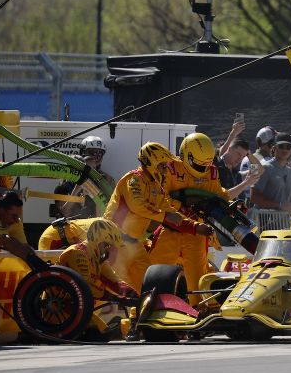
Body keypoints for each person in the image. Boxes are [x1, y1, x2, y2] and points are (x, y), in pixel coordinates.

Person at [151, 132, 224, 295]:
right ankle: (152, 305)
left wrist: (231, 206)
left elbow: (218, 195)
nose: (203, 169)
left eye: (206, 165)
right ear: (186, 155)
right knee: (155, 274)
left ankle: (198, 307)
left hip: (197, 233)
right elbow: (160, 197)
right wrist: (182, 208)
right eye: (199, 165)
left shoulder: (212, 172)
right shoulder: (169, 167)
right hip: (170, 229)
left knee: (197, 279)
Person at [103, 142, 183, 288]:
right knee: (113, 288)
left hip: (134, 244)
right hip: (114, 241)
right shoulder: (133, 179)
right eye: (163, 166)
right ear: (150, 163)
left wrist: (193, 224)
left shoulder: (156, 187)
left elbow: (169, 210)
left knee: (149, 285)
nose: (166, 170)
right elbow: (137, 205)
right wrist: (165, 216)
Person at [56, 218, 138, 338]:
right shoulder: (77, 253)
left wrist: (134, 295)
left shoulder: (97, 257)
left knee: (104, 334)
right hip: (59, 308)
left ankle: (117, 325)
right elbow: (85, 287)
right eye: (109, 245)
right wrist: (114, 298)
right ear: (100, 242)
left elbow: (114, 281)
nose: (110, 250)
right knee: (98, 335)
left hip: (77, 307)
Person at [249, 132, 291, 215]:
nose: (284, 150)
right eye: (281, 146)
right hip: (264, 219)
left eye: (288, 147)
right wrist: (279, 205)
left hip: (286, 220)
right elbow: (254, 197)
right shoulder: (263, 167)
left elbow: (290, 198)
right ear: (274, 148)